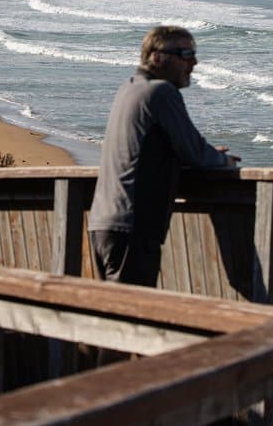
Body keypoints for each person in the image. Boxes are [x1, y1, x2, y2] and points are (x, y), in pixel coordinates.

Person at [88, 25, 238, 287]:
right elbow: (195, 152)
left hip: (104, 222)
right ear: (157, 57)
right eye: (185, 54)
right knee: (129, 317)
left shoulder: (129, 89)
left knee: (114, 314)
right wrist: (222, 160)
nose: (193, 62)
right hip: (133, 226)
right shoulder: (160, 92)